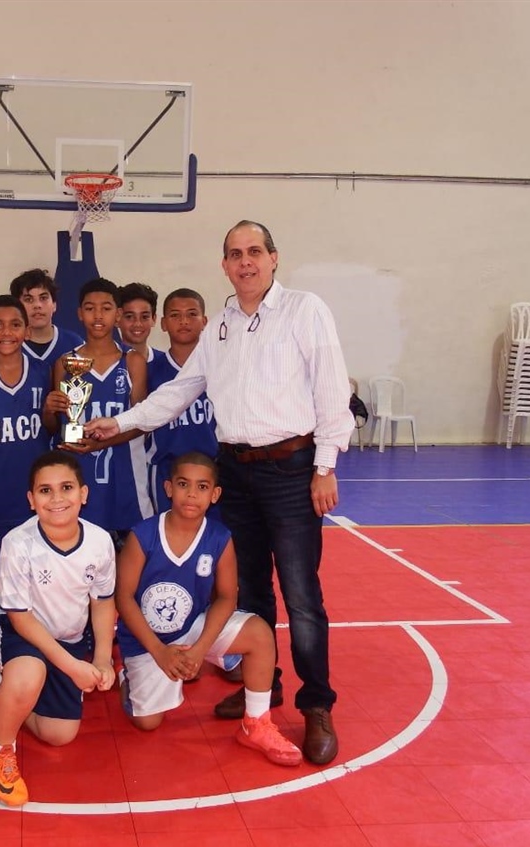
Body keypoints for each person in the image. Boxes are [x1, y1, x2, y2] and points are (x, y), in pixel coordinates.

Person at [86, 220, 354, 765]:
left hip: (292, 467)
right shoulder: (222, 326)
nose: (245, 262)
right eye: (235, 254)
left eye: (254, 251)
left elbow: (332, 390)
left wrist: (325, 465)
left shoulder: (305, 310)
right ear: (225, 265)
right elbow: (180, 391)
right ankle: (263, 688)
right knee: (250, 588)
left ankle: (316, 705)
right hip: (236, 470)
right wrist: (121, 423)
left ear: (274, 258)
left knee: (301, 595)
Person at [115, 452, 301, 766]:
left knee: (259, 633)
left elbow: (227, 597)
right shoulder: (143, 535)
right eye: (183, 484)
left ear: (215, 494)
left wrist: (200, 649)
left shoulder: (219, 538)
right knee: (148, 723)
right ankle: (127, 677)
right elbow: (123, 597)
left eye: (202, 487)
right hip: (149, 641)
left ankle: (256, 723)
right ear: (168, 488)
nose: (192, 494)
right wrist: (159, 652)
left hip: (192, 627)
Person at [0, 451, 117, 807]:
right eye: (45, 490)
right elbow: (21, 618)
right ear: (31, 499)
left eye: (66, 488)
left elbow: (102, 602)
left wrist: (102, 658)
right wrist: (71, 667)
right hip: (17, 628)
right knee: (29, 673)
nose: (56, 499)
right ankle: (0, 750)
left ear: (83, 493)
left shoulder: (100, 541)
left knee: (59, 734)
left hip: (67, 635)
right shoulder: (18, 543)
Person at [43, 278, 153, 542]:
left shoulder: (132, 361)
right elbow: (57, 428)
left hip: (126, 479)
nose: (98, 315)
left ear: (118, 315)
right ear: (80, 313)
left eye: (106, 308)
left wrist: (101, 443)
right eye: (90, 308)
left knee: (130, 559)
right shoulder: (65, 363)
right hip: (81, 479)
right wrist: (48, 410)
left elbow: (142, 424)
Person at [0, 295, 53, 610]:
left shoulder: (44, 372)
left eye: (15, 325)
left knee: (41, 560)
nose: (6, 332)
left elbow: (53, 427)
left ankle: (41, 623)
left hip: (35, 486)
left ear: (27, 331)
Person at [146, 288, 219, 515]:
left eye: (192, 314)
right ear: (163, 323)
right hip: (166, 470)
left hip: (215, 468)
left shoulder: (221, 368)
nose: (184, 321)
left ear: (205, 321)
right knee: (167, 531)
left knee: (214, 532)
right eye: (175, 315)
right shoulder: (150, 371)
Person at [9, 268, 84, 366]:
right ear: (17, 307)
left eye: (43, 298)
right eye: (28, 299)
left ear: (54, 305)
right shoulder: (6, 344)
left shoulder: (75, 344)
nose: (37, 305)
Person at [116, 281, 165, 368]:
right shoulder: (105, 364)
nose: (137, 324)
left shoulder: (165, 363)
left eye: (144, 317)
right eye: (129, 317)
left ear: (154, 319)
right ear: (117, 320)